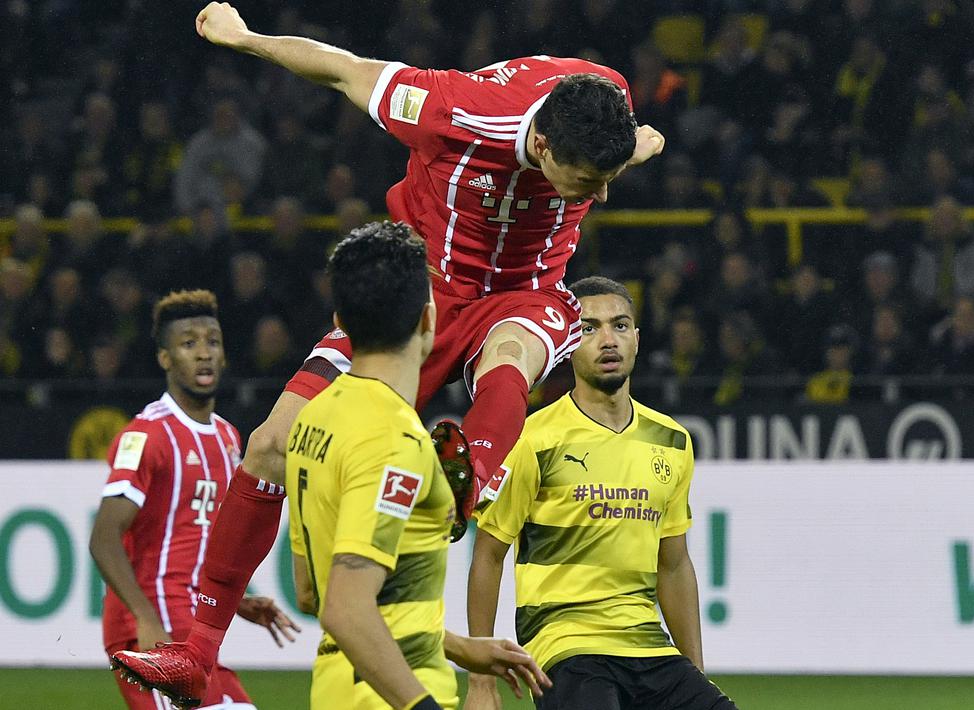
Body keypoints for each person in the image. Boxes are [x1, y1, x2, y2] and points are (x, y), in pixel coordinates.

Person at [114, 2, 665, 703]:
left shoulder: (605, 103)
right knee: (269, 444)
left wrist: (641, 146)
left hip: (526, 291)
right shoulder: (452, 110)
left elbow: (633, 144)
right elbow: (341, 70)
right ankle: (195, 652)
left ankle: (469, 480)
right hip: (422, 293)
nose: (600, 194)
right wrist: (245, 38)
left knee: (513, 354)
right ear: (548, 145)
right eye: (588, 181)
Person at [283, 222, 549, 709]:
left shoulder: (312, 418)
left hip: (336, 689)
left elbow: (311, 592)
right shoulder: (396, 439)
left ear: (341, 319)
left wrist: (459, 647)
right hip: (390, 696)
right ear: (430, 319)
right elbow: (345, 608)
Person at [466, 277, 737, 710]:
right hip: (564, 646)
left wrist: (694, 676)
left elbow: (674, 565)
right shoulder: (532, 438)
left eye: (620, 325)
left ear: (637, 339)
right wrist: (481, 683)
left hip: (648, 646)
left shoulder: (672, 440)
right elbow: (488, 555)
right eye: (589, 328)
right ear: (569, 342)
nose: (608, 340)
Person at [95, 290, 299, 710]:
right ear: (165, 358)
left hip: (193, 628)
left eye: (213, 342)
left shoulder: (228, 437)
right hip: (152, 628)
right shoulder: (147, 434)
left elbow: (202, 533)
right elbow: (103, 538)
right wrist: (144, 618)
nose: (204, 353)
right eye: (189, 344)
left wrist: (238, 602)